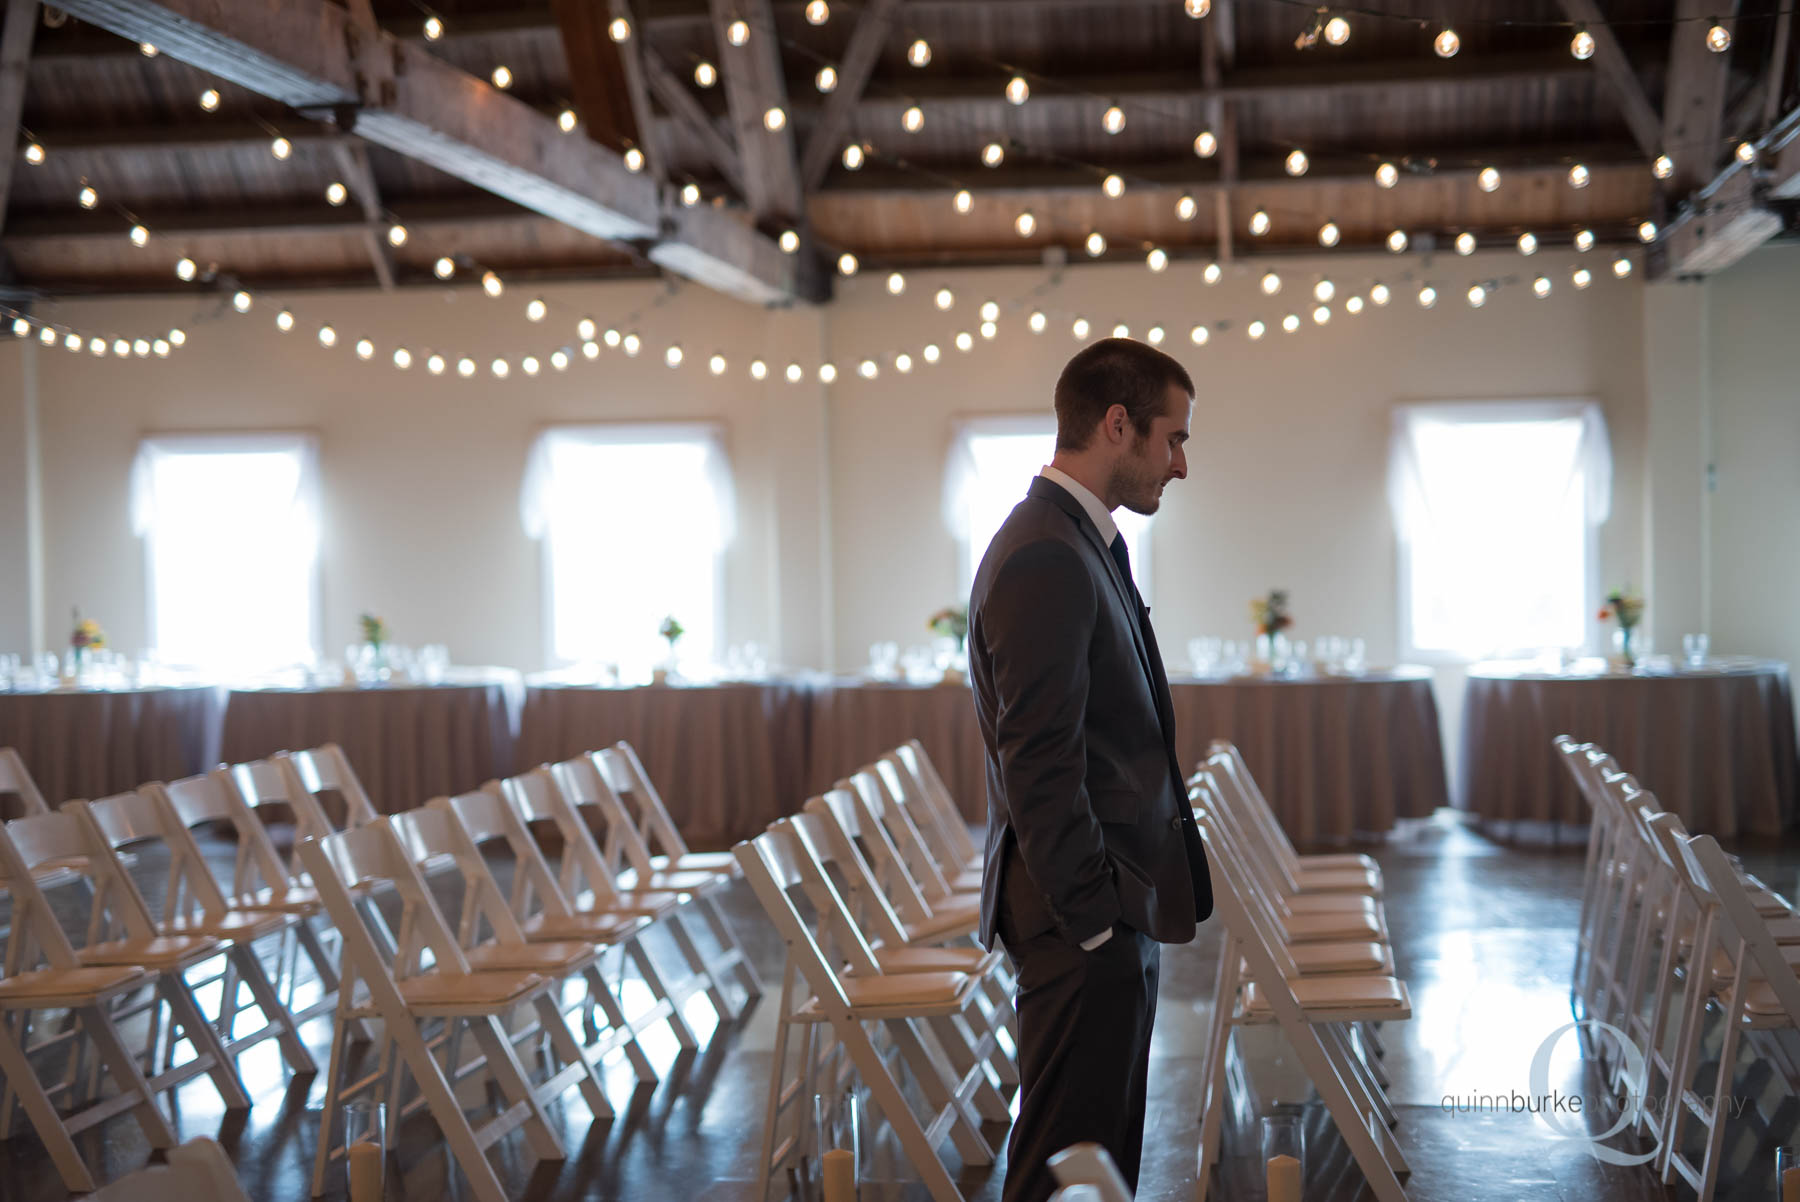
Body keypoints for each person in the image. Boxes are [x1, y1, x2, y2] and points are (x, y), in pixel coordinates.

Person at [968, 338, 1213, 1202]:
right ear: (1118, 425)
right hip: (1082, 919)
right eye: (1172, 438)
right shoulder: (1045, 551)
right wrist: (1098, 923)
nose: (1179, 465)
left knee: (1098, 1165)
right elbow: (1039, 764)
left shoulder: (1076, 538)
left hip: (1108, 902)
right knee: (1065, 1165)